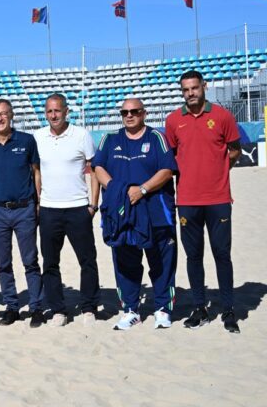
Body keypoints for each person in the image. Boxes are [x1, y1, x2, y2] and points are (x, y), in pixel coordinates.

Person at [165, 70, 242, 333]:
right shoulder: (173, 120)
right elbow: (172, 157)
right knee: (193, 256)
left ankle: (228, 310)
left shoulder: (223, 116)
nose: (190, 93)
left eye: (195, 88)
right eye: (185, 89)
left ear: (204, 87)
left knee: (222, 254)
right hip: (186, 199)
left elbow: (234, 150)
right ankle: (200, 308)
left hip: (218, 198)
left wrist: (218, 172)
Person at [92, 98, 178, 330]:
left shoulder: (156, 138)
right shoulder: (110, 139)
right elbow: (98, 167)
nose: (129, 115)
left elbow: (167, 170)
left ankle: (162, 308)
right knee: (125, 261)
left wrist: (142, 190)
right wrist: (117, 191)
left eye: (135, 111)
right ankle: (130, 309)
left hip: (155, 211)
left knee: (160, 261)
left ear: (144, 113)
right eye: (125, 112)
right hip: (121, 213)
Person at [34, 93, 101, 326]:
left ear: (66, 111)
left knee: (87, 260)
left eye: (57, 110)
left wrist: (93, 204)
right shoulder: (38, 137)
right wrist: (39, 202)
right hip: (50, 210)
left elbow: (93, 169)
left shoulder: (81, 135)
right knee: (50, 262)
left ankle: (88, 307)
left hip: (78, 208)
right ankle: (58, 310)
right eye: (49, 111)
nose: (54, 115)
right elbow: (37, 173)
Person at [0, 99, 45, 328]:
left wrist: (37, 204)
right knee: (3, 263)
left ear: (11, 115)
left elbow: (36, 173)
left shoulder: (27, 141)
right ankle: (12, 306)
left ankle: (36, 307)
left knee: (30, 261)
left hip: (24, 209)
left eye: (3, 113)